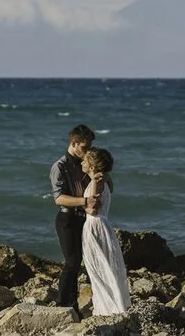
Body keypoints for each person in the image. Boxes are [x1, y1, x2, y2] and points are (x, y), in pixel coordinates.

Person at [50, 124, 99, 311]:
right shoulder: (59, 166)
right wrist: (85, 201)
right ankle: (62, 304)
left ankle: (73, 305)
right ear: (74, 143)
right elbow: (59, 198)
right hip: (67, 219)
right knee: (72, 262)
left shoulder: (86, 164)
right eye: (85, 147)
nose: (88, 151)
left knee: (79, 263)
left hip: (84, 219)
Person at [80, 147, 131, 315]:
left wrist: (84, 206)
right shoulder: (106, 181)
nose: (82, 162)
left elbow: (92, 209)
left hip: (94, 226)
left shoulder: (95, 183)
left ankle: (107, 309)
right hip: (104, 225)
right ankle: (113, 304)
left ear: (92, 166)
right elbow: (111, 190)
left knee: (97, 268)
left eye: (85, 161)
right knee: (107, 265)